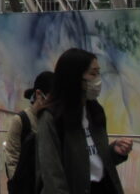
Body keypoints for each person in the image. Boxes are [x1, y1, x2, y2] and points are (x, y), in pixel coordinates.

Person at [37, 48, 132, 194]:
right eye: (93, 74)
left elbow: (94, 161)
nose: (98, 79)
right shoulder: (51, 118)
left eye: (98, 73)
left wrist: (114, 151)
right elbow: (52, 174)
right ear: (74, 77)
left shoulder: (95, 111)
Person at [5, 70, 54, 186]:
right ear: (38, 94)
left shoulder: (53, 121)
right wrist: (17, 184)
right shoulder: (21, 120)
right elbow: (12, 158)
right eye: (52, 98)